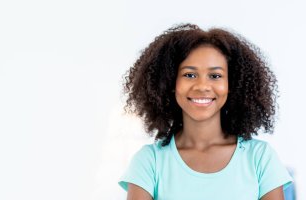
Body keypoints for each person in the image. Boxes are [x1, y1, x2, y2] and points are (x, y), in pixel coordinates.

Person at [118, 23, 293, 200]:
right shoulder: (149, 162)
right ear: (170, 82)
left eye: (215, 76)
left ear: (231, 85)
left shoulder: (260, 158)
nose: (202, 86)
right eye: (189, 75)